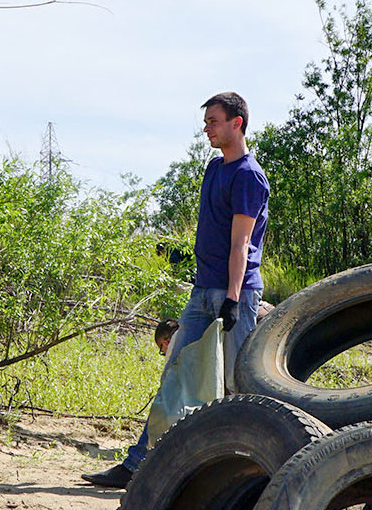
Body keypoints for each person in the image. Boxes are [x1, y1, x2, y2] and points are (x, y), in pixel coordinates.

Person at [85, 92, 268, 489]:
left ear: (237, 123)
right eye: (206, 121)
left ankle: (240, 478)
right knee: (175, 374)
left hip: (234, 293)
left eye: (214, 121)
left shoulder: (249, 176)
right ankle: (137, 466)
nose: (207, 128)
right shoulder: (213, 169)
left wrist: (234, 299)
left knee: (235, 385)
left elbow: (241, 244)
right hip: (202, 292)